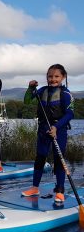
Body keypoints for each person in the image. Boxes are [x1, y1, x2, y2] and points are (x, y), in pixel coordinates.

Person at [21, 64, 74, 203]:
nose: (53, 79)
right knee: (40, 157)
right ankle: (34, 187)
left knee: (58, 159)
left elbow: (70, 114)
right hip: (44, 128)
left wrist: (56, 127)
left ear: (63, 77)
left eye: (56, 76)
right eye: (50, 76)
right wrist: (30, 87)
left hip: (59, 129)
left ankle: (60, 190)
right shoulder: (42, 90)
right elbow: (27, 101)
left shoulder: (66, 94)